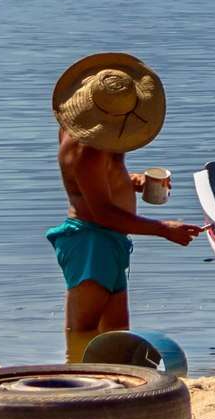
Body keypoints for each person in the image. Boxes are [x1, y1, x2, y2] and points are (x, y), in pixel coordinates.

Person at [46, 52, 201, 362]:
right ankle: (76, 380)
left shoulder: (100, 135)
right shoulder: (86, 147)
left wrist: (132, 180)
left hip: (110, 240)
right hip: (91, 240)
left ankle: (112, 383)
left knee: (117, 330)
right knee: (84, 329)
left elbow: (96, 184)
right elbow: (101, 210)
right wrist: (163, 229)